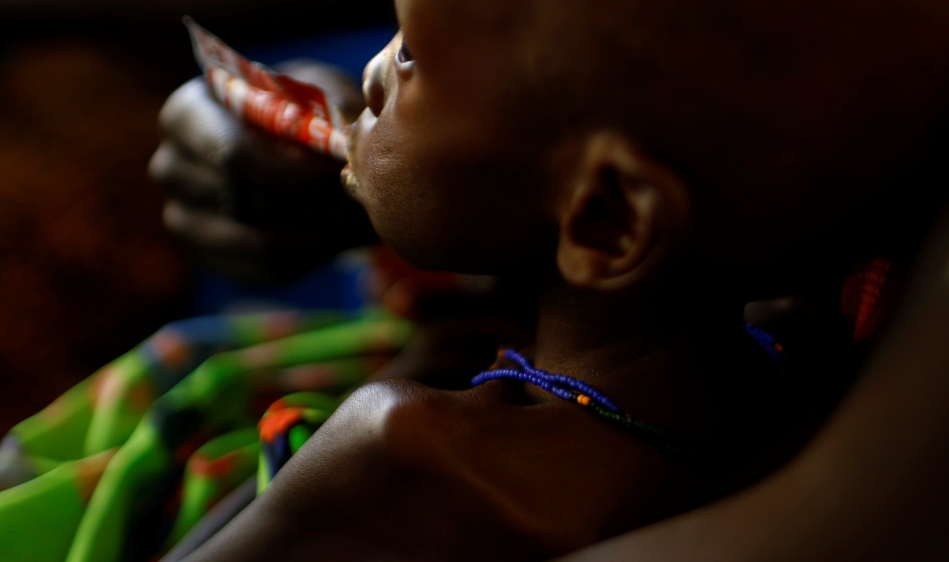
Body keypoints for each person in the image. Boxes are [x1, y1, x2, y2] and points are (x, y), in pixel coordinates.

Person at [171, 0, 949, 560]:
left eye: (409, 52)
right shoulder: (806, 377)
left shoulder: (399, 451)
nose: (366, 73)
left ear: (606, 223)